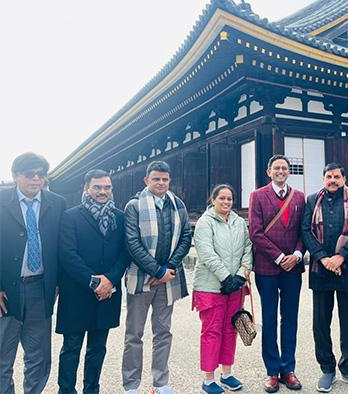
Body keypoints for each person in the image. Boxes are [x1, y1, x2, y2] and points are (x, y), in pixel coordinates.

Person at [56, 169, 129, 394]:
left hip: (108, 292)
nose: (102, 191)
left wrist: (110, 279)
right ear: (86, 188)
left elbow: (124, 253)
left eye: (107, 187)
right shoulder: (70, 216)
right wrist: (94, 282)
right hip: (77, 292)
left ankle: (92, 389)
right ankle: (66, 390)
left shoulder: (119, 216)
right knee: (71, 347)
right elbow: (68, 255)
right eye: (97, 187)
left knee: (98, 348)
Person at [121, 161, 192, 394]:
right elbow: (132, 243)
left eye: (165, 179)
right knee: (134, 334)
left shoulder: (177, 204)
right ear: (146, 180)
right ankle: (131, 385)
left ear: (169, 180)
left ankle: (160, 382)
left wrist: (168, 268)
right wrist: (157, 271)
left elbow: (185, 237)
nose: (161, 183)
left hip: (168, 279)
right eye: (156, 179)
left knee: (163, 332)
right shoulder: (134, 206)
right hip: (141, 277)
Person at [0, 152, 66, 394]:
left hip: (41, 289)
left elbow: (62, 247)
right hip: (6, 291)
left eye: (41, 175)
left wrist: (57, 284)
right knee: (2, 355)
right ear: (15, 175)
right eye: (30, 174)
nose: (36, 179)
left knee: (38, 356)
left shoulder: (57, 203)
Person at [302, 163, 348, 393]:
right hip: (320, 269)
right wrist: (322, 258)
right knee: (321, 321)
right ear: (323, 179)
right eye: (329, 176)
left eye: (337, 176)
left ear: (344, 178)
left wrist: (340, 257)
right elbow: (305, 231)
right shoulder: (312, 200)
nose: (333, 180)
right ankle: (327, 367)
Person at [248, 155, 305, 393]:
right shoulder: (257, 196)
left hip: (294, 266)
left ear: (288, 172)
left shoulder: (300, 197)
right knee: (269, 318)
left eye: (284, 168)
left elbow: (305, 229)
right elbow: (255, 232)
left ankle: (288, 368)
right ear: (268, 172)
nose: (281, 171)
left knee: (290, 317)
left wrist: (298, 255)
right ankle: (272, 370)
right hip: (267, 266)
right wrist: (280, 257)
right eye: (276, 168)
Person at [192, 184, 253, 394]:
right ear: (213, 200)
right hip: (211, 286)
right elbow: (206, 252)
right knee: (211, 330)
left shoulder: (239, 222)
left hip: (236, 285)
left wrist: (239, 276)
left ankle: (227, 374)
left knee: (231, 329)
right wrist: (225, 277)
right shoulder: (205, 222)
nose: (226, 202)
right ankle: (208, 379)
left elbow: (248, 249)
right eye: (222, 199)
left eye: (230, 199)